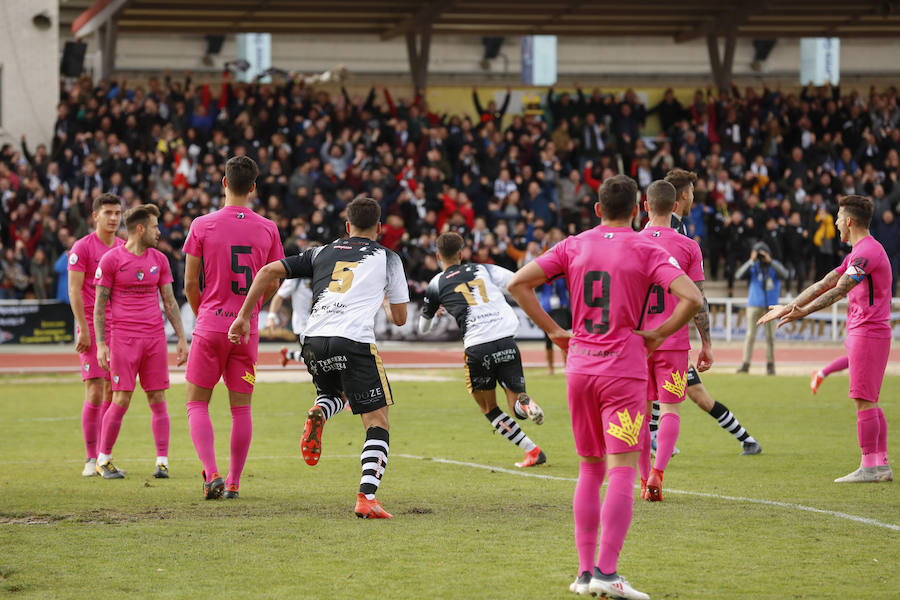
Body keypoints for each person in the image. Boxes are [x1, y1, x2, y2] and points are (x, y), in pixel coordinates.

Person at [507, 175, 702, 599]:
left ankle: (582, 574)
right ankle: (607, 572)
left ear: (597, 209)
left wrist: (557, 332)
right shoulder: (646, 247)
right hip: (623, 371)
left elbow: (517, 284)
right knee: (620, 471)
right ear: (636, 210)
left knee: (590, 469)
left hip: (580, 368)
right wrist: (657, 334)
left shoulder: (573, 244)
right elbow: (693, 298)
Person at [228, 197, 409, 518]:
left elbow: (269, 270)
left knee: (334, 394)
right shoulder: (389, 258)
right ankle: (367, 497)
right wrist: (381, 298)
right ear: (380, 228)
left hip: (313, 338)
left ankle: (320, 411)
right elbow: (399, 318)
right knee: (377, 420)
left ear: (347, 226)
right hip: (354, 340)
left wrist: (244, 316)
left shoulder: (322, 251)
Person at [760, 195, 892, 483]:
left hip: (869, 332)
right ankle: (880, 464)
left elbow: (839, 290)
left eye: (837, 218)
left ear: (849, 221)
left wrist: (802, 312)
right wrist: (789, 305)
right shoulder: (859, 252)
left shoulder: (867, 252)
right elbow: (825, 283)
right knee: (870, 400)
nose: (834, 223)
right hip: (867, 331)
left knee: (863, 400)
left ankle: (869, 466)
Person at [182, 156, 285, 500]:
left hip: (211, 325)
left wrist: (203, 317)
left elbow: (189, 285)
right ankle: (233, 482)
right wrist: (252, 308)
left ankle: (210, 472)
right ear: (254, 187)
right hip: (246, 329)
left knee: (197, 404)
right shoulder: (268, 228)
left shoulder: (201, 225)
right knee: (241, 409)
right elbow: (274, 279)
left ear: (223, 183)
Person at [418, 232, 547, 468]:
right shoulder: (484, 269)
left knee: (489, 408)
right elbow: (515, 282)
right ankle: (527, 406)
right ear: (461, 253)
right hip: (506, 340)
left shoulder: (436, 283)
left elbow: (423, 328)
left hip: (478, 346)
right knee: (516, 407)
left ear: (438, 256)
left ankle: (532, 450)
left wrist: (435, 313)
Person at [663, 169, 762, 455]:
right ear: (683, 195)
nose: (694, 196)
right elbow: (695, 296)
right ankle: (658, 445)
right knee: (682, 397)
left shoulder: (662, 231)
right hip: (668, 338)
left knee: (692, 395)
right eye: (692, 191)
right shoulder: (678, 236)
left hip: (661, 337)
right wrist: (706, 342)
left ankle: (746, 439)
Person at [93, 204, 189, 479]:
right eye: (156, 227)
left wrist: (181, 339)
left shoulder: (159, 259)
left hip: (155, 338)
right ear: (140, 228)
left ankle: (162, 462)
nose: (160, 232)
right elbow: (100, 307)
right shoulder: (111, 260)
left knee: (157, 397)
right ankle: (103, 459)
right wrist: (101, 344)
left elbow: (170, 302)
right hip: (123, 339)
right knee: (121, 397)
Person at [638, 180, 706, 502]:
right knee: (670, 410)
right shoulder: (689, 247)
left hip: (638, 341)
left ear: (646, 205)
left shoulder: (632, 243)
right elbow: (697, 299)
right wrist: (706, 342)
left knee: (639, 412)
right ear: (675, 206)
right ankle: (658, 474)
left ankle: (641, 478)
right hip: (674, 340)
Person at [67, 193, 124, 476]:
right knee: (94, 388)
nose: (113, 218)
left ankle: (104, 456)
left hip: (120, 329)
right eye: (108, 213)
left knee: (115, 391)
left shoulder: (124, 247)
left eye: (117, 213)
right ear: (95, 216)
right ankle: (91, 459)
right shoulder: (83, 247)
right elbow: (74, 290)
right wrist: (83, 328)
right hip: (92, 326)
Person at [735, 241, 789, 375]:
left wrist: (770, 261)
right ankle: (745, 364)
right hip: (754, 304)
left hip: (771, 307)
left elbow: (786, 275)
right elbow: (738, 275)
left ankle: (770, 365)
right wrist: (750, 260)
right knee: (750, 336)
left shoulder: (773, 266)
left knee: (770, 337)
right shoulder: (753, 266)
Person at [269, 268, 314, 367]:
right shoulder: (297, 277)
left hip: (320, 324)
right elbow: (279, 296)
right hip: (303, 326)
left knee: (317, 359)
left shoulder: (324, 272)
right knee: (315, 361)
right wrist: (271, 317)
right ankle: (290, 354)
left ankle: (289, 354)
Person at [539, 276, 571, 375]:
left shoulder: (562, 277)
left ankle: (567, 366)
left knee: (563, 337)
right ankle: (550, 367)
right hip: (547, 309)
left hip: (561, 308)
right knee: (548, 339)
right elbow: (536, 287)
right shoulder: (541, 277)